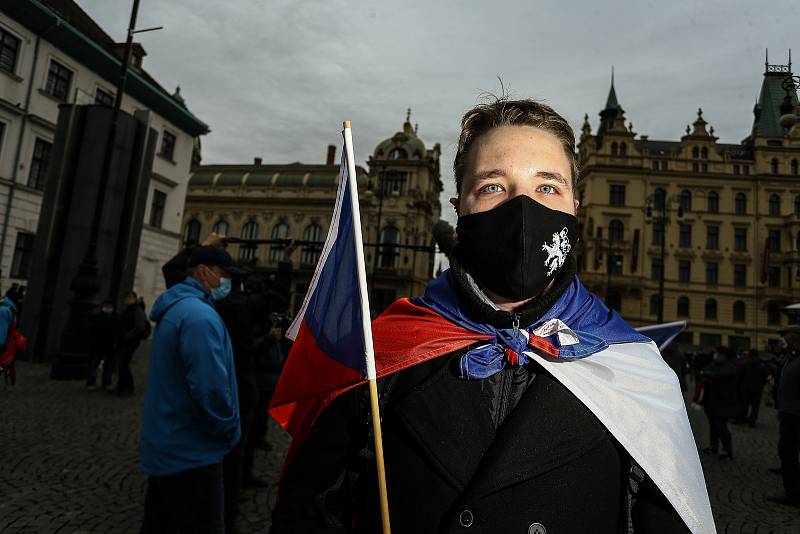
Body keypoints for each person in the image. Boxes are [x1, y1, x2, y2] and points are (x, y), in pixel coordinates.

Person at [270, 97, 714, 533]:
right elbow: (308, 510)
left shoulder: (635, 371)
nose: (522, 210)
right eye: (493, 186)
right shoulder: (380, 354)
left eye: (547, 187)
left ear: (576, 207)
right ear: (459, 208)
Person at [140, 245, 243, 533]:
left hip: (170, 446)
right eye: (224, 275)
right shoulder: (200, 317)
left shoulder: (179, 308)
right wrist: (229, 430)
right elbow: (211, 390)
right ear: (202, 272)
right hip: (194, 453)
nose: (228, 283)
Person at [767, 324, 800, 507]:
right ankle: (793, 491)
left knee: (788, 452)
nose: (781, 339)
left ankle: (794, 493)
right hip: (788, 413)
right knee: (786, 452)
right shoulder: (791, 357)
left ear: (794, 338)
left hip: (796, 415)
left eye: (784, 336)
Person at [698, 346, 738, 459]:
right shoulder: (714, 364)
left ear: (723, 355)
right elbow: (705, 371)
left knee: (721, 426)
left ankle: (727, 450)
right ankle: (713, 447)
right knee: (713, 425)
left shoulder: (730, 366)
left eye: (716, 353)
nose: (714, 355)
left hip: (723, 402)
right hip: (711, 401)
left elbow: (717, 375)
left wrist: (707, 374)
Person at [113, 290, 147, 397]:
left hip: (130, 342)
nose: (126, 300)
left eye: (129, 297)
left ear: (134, 298)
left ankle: (128, 387)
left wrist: (127, 336)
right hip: (124, 341)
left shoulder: (137, 310)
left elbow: (139, 327)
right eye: (126, 298)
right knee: (121, 364)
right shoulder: (128, 310)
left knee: (124, 364)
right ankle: (121, 386)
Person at [85, 299, 117, 391]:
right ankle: (91, 383)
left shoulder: (116, 317)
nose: (108, 308)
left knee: (108, 366)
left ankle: (106, 383)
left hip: (110, 345)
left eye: (109, 306)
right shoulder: (96, 317)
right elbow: (91, 331)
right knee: (93, 365)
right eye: (106, 306)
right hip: (97, 345)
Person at [733, 349, 769, 427]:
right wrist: (760, 384)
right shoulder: (762, 366)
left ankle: (740, 420)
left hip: (745, 389)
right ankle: (752, 422)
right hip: (757, 390)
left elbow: (739, 377)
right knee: (755, 407)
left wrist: (738, 386)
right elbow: (765, 378)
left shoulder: (745, 364)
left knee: (743, 405)